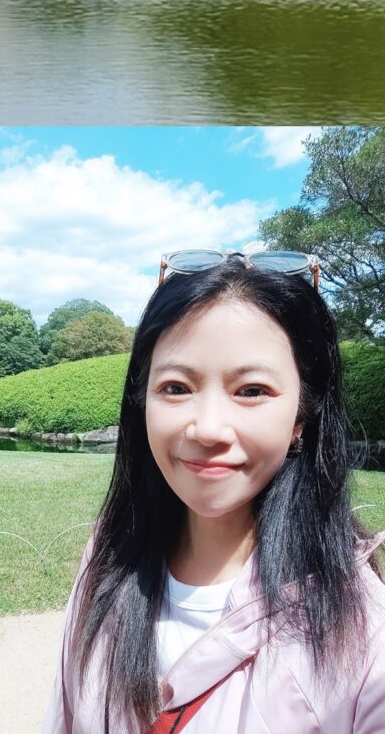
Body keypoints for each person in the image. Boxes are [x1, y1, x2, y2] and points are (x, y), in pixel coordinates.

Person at [47, 250, 385, 733]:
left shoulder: (363, 631)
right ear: (141, 401)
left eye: (251, 390)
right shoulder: (106, 555)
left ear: (301, 418)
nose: (207, 428)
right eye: (176, 387)